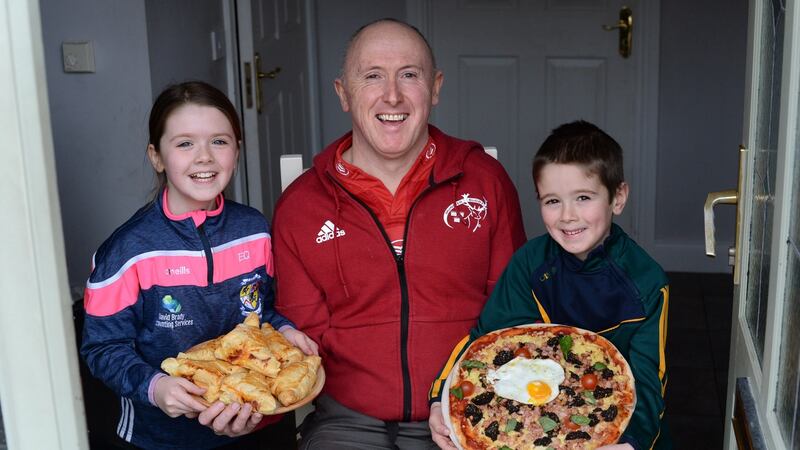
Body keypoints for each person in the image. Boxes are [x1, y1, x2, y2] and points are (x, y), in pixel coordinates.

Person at [272, 18, 527, 449]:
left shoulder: (484, 180)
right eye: (372, 76)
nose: (392, 95)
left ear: (436, 87)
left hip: (465, 404)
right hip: (346, 420)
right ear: (343, 94)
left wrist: (465, 398)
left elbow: (511, 311)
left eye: (409, 75)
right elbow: (303, 336)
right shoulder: (301, 204)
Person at [80, 80, 318, 450]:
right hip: (160, 436)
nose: (204, 156)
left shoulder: (254, 230)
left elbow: (261, 310)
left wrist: (284, 329)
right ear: (157, 156)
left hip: (253, 421)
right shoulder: (127, 251)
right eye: (185, 143)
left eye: (219, 141)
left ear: (237, 151)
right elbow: (102, 347)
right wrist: (155, 388)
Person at [428, 120, 671, 450]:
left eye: (583, 197)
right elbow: (482, 342)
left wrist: (631, 443)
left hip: (618, 434)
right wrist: (439, 396)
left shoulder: (647, 282)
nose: (568, 216)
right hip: (522, 430)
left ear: (618, 197)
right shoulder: (529, 262)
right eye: (552, 201)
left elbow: (648, 380)